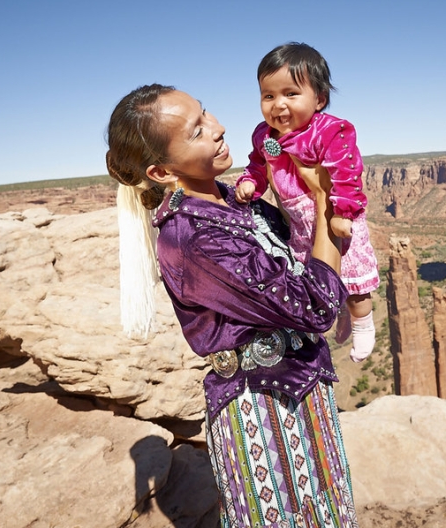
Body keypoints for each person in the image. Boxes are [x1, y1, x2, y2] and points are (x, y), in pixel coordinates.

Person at [105, 83, 360, 527]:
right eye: (197, 130)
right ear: (162, 172)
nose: (219, 128)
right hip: (263, 413)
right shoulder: (192, 238)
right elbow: (315, 307)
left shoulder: (235, 201)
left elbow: (301, 258)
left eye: (207, 114)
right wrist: (324, 200)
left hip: (303, 394)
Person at [235, 42, 379, 364]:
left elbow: (346, 172)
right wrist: (250, 183)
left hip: (331, 216)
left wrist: (343, 213)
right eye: (268, 96)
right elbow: (258, 164)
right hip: (299, 224)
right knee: (315, 277)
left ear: (320, 99)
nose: (278, 105)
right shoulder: (264, 135)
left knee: (354, 282)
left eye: (291, 94)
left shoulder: (329, 131)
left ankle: (362, 323)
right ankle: (338, 312)